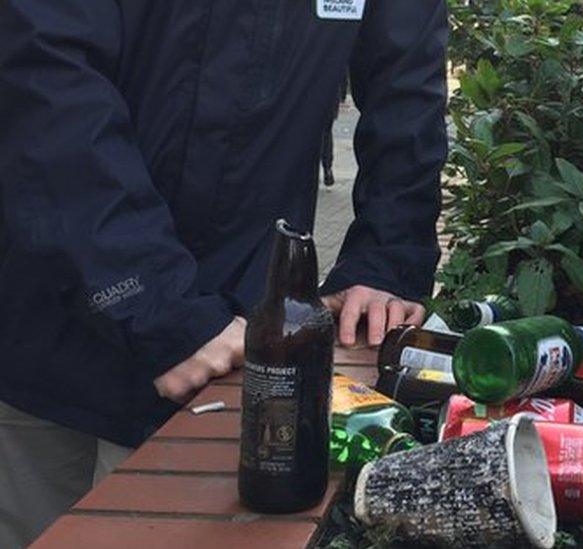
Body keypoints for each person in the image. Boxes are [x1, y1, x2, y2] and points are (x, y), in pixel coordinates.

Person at [0, 1, 447, 547]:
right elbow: (39, 77)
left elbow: (406, 83)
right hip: (44, 318)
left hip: (232, 340)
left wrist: (388, 258)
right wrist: (156, 303)